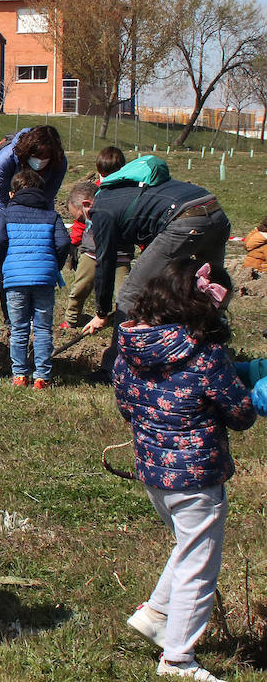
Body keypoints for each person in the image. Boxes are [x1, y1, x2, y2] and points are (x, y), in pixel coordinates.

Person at [112, 258, 260, 682]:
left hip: (154, 470)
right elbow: (240, 414)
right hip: (197, 477)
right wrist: (257, 390)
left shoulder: (130, 348)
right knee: (200, 565)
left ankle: (156, 614)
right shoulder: (206, 354)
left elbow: (126, 406)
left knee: (187, 545)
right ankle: (178, 659)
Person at [82, 157, 230, 349]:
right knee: (211, 289)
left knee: (128, 293)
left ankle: (116, 363)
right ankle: (215, 353)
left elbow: (105, 261)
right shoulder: (132, 193)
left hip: (186, 219)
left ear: (86, 204)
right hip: (214, 211)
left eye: (79, 216)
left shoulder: (101, 209)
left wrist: (102, 312)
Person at [0, 168, 72, 389]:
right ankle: (42, 377)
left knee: (19, 328)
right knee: (43, 328)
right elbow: (64, 243)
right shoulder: (51, 215)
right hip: (44, 278)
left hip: (15, 278)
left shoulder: (4, 215)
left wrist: (5, 262)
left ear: (12, 193)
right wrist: (53, 263)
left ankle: (19, 375)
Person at [62, 147, 130, 328]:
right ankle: (71, 319)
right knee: (80, 288)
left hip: (121, 253)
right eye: (103, 174)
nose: (107, 179)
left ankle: (121, 322)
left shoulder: (129, 193)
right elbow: (80, 221)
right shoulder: (96, 192)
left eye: (111, 174)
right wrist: (74, 243)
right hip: (92, 251)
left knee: (124, 292)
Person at [0, 125, 67, 224]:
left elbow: (49, 195)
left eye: (46, 157)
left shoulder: (59, 162)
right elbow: (0, 196)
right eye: (37, 156)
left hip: (37, 202)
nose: (40, 161)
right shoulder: (5, 159)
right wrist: (7, 219)